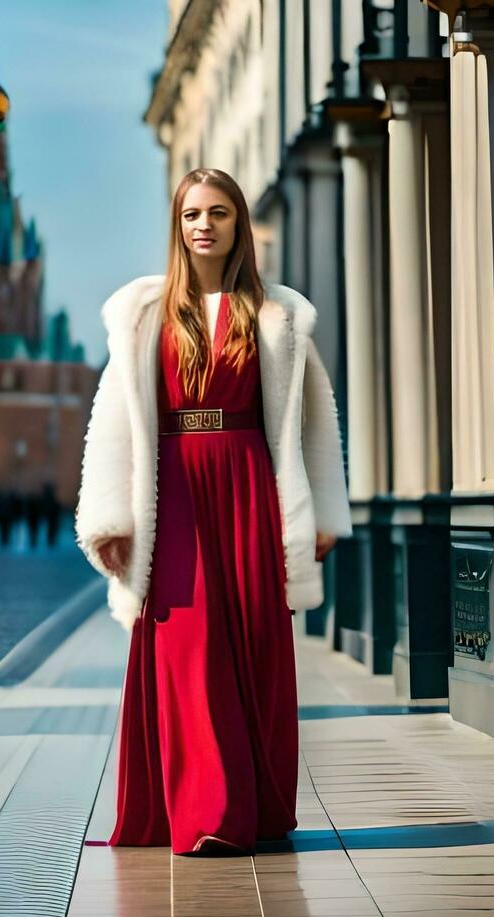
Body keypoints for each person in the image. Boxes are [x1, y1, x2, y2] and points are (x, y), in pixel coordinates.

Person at [74, 168, 351, 856]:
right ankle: (205, 811)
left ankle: (252, 809)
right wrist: (110, 519)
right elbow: (113, 421)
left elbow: (311, 422)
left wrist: (322, 515)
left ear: (238, 224)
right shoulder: (141, 314)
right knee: (186, 649)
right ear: (177, 224)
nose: (204, 224)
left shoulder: (280, 315)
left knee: (256, 649)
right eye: (193, 212)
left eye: (219, 212)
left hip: (252, 487)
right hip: (174, 497)